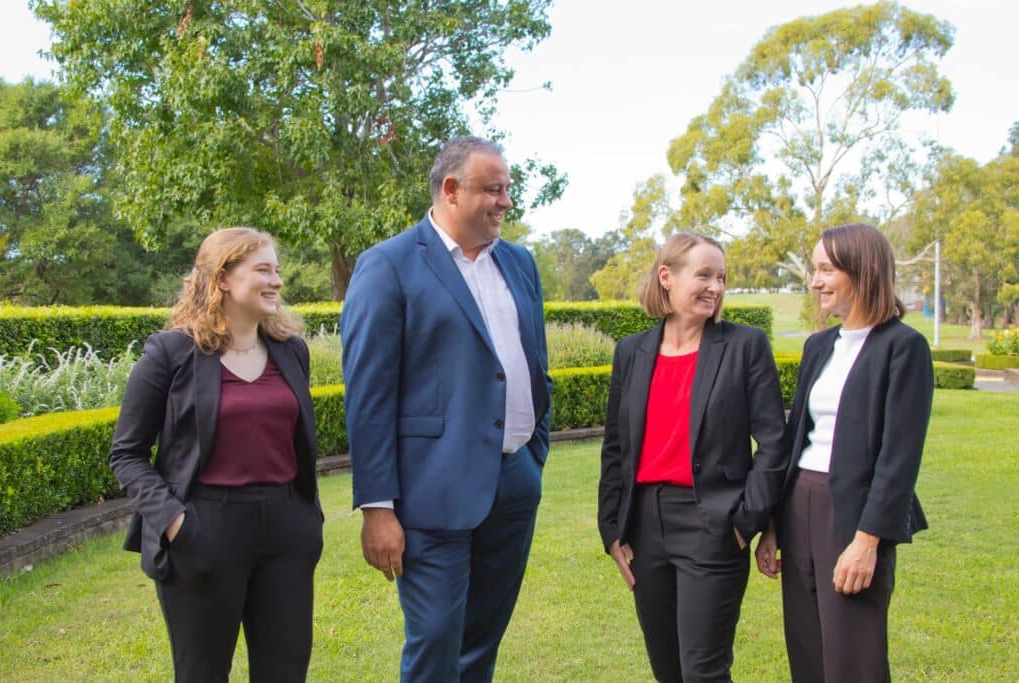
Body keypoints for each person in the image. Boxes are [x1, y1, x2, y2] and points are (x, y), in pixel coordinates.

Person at [340, 136, 552, 682]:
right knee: (436, 642)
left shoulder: (521, 264)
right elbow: (369, 396)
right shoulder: (386, 266)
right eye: (494, 189)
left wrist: (535, 451)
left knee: (483, 641)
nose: (506, 201)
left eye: (508, 189)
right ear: (451, 190)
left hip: (514, 483)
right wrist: (377, 507)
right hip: (430, 493)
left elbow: (532, 364)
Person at [110, 227, 324, 682]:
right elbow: (126, 454)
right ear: (223, 278)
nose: (277, 281)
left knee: (286, 674)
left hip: (286, 533)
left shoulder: (291, 352)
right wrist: (176, 523)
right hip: (203, 530)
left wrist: (306, 519)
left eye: (278, 270)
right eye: (263, 270)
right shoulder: (169, 354)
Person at [597, 232, 788, 682]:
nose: (716, 288)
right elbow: (616, 447)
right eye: (704, 275)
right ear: (666, 277)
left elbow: (774, 442)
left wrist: (747, 522)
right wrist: (611, 529)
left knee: (703, 671)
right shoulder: (632, 352)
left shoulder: (744, 346)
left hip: (713, 525)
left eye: (721, 278)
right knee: (668, 670)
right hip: (645, 526)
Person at [755, 223, 934, 682]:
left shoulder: (903, 348)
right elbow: (797, 438)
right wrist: (773, 525)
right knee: (807, 650)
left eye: (825, 269)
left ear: (863, 271)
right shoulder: (818, 347)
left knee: (854, 657)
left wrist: (868, 540)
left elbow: (899, 458)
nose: (815, 281)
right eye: (815, 269)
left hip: (853, 515)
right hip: (799, 507)